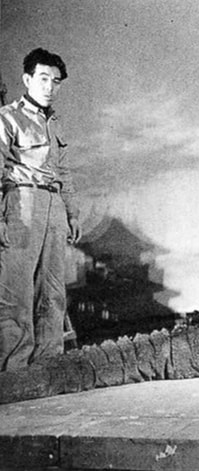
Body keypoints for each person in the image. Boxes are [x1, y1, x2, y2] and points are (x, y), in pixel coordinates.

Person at [0, 48, 81, 372]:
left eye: (56, 81)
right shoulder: (7, 117)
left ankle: (50, 367)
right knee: (16, 293)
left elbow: (63, 173)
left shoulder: (55, 124)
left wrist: (72, 214)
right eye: (43, 78)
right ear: (27, 79)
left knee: (53, 292)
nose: (50, 87)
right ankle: (14, 371)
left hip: (54, 207)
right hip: (22, 203)